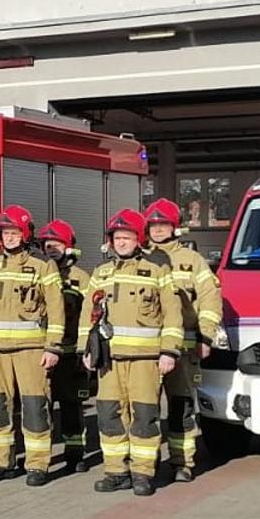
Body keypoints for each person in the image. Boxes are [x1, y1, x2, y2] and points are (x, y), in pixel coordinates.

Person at [79, 209, 184, 497]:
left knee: (144, 416)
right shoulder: (101, 273)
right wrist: (85, 350)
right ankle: (116, 472)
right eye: (117, 238)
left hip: (145, 360)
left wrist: (169, 352)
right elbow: (88, 315)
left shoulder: (157, 271)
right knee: (109, 416)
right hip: (108, 361)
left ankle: (143, 473)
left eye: (126, 237)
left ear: (138, 240)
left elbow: (172, 315)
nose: (121, 242)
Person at [0, 205, 65, 486]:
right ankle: (0, 462)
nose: (9, 237)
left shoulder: (43, 265)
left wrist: (52, 347)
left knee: (35, 407)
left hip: (31, 350)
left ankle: (37, 465)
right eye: (4, 233)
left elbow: (56, 310)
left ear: (25, 234)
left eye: (14, 232)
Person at [144, 199, 223, 482]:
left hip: (185, 349)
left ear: (175, 227)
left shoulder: (193, 261)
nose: (158, 230)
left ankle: (182, 462)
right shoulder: (139, 258)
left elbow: (210, 301)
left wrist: (205, 337)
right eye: (153, 225)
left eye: (163, 225)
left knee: (181, 406)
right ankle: (145, 463)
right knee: (145, 409)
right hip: (147, 350)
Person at [38, 219, 96, 473]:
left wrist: (85, 349)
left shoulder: (82, 278)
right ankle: (41, 455)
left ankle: (75, 453)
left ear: (69, 246)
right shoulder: (37, 272)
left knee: (72, 405)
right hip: (41, 351)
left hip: (71, 352)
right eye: (47, 245)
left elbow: (91, 315)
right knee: (41, 406)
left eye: (57, 244)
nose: (52, 249)